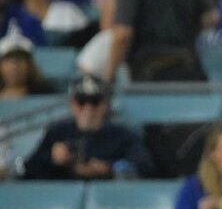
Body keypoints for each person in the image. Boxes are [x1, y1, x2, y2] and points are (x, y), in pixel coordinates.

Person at [23, 74, 152, 180]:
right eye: (81, 102)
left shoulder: (122, 135)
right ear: (72, 104)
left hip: (108, 196)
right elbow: (27, 170)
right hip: (62, 197)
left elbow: (145, 167)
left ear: (105, 105)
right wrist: (52, 159)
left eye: (95, 102)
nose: (88, 109)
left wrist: (109, 168)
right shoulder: (57, 132)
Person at [0, 33, 53, 99]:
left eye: (20, 60)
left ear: (30, 65)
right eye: (8, 61)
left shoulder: (45, 93)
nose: (14, 67)